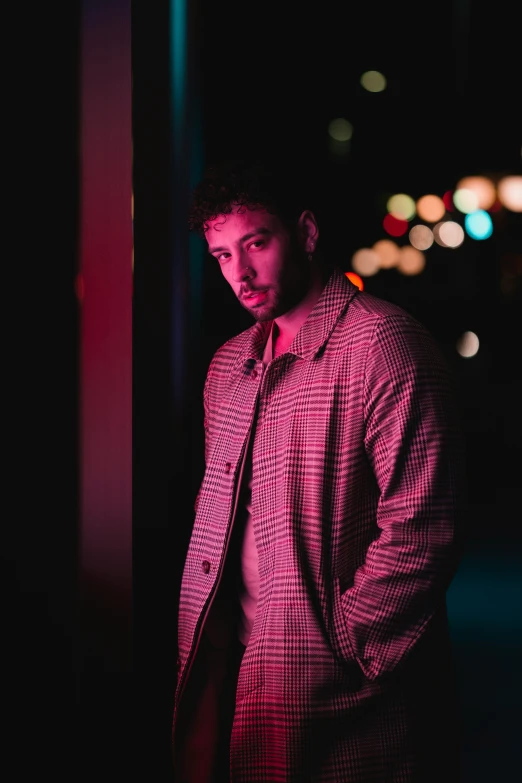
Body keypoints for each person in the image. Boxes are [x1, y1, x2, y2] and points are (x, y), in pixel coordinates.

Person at [172, 158, 466, 782]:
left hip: (347, 689)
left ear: (305, 234)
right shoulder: (229, 368)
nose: (241, 273)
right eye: (222, 255)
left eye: (256, 243)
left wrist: (345, 649)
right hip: (238, 669)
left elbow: (424, 525)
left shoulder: (385, 344)